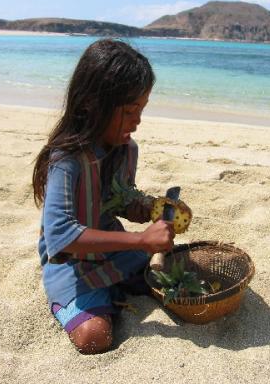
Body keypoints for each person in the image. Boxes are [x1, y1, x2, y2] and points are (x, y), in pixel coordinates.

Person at [32, 39, 175, 354]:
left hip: (111, 249)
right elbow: (61, 235)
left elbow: (120, 199)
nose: (137, 121)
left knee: (174, 275)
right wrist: (140, 241)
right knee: (93, 337)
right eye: (129, 111)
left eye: (142, 109)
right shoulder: (66, 159)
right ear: (91, 104)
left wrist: (151, 209)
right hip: (70, 263)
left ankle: (118, 287)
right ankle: (91, 298)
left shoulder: (126, 150)